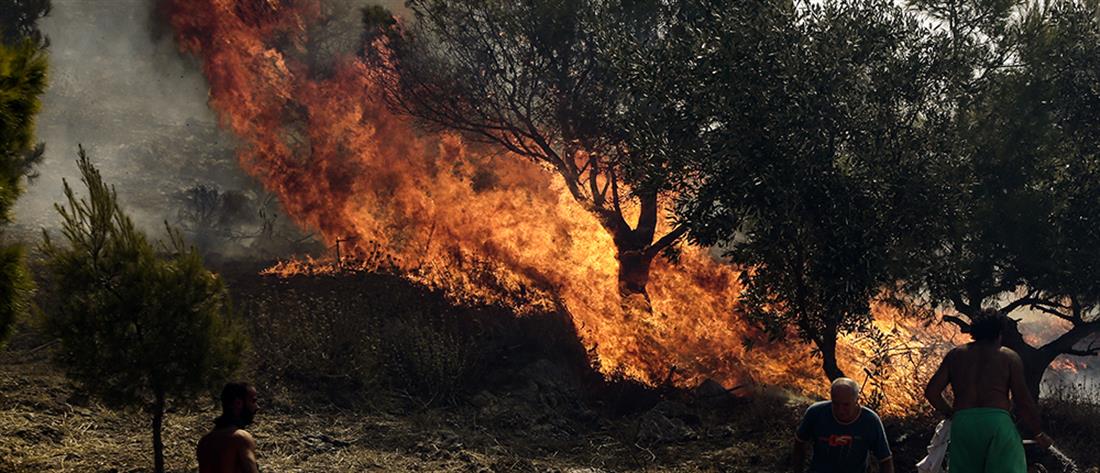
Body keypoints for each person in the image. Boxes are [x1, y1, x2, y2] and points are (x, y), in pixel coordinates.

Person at [924, 309, 1051, 473]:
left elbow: (932, 392)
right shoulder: (1008, 357)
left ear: (974, 332)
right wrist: (1038, 432)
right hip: (996, 424)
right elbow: (1023, 400)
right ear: (1000, 333)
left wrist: (951, 413)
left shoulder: (955, 355)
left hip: (963, 424)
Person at [790, 377, 894, 473]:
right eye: (836, 403)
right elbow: (799, 443)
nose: (840, 410)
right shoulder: (816, 413)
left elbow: (885, 459)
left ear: (857, 400)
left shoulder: (870, 421)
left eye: (846, 405)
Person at [197, 382, 260, 473]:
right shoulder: (240, 438)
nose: (257, 407)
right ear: (238, 403)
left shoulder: (205, 441)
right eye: (253, 401)